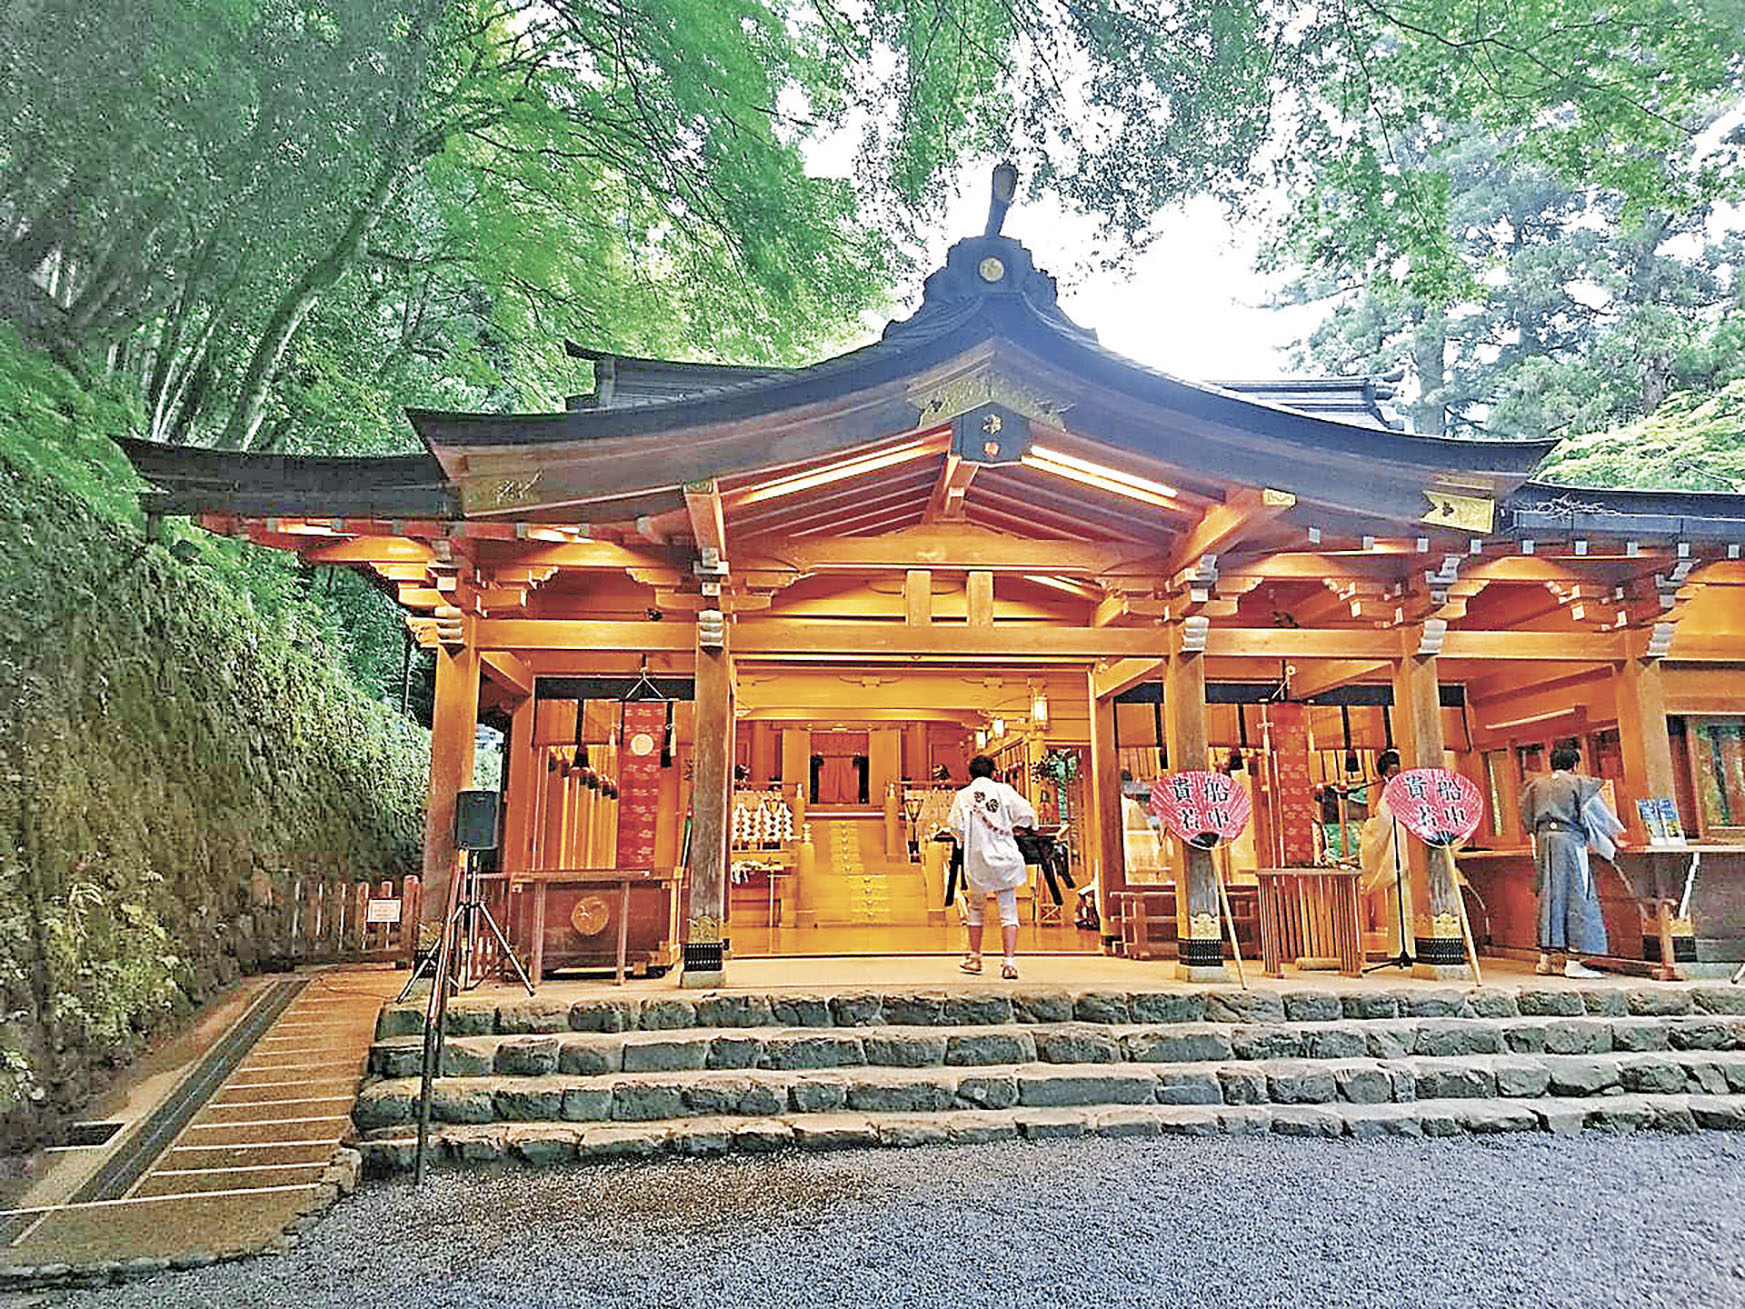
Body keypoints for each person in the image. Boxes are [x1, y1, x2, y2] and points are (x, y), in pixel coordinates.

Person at [1519, 744, 1624, 978]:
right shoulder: (1581, 784)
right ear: (1575, 765)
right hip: (1569, 841)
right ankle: (1574, 960)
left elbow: (1527, 820)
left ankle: (1545, 959)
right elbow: (1600, 818)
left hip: (1543, 841)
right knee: (1577, 893)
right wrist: (1614, 841)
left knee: (1548, 895)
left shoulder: (1535, 786)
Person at [948, 754, 1037, 979]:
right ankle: (1009, 963)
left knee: (976, 908)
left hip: (977, 858)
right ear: (994, 773)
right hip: (1005, 856)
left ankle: (975, 958)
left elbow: (955, 828)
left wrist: (966, 837)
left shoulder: (963, 796)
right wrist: (1014, 827)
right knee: (1008, 908)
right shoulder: (1005, 791)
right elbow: (1027, 815)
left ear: (970, 775)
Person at [1359, 749, 1411, 960]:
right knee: (1402, 902)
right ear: (1385, 775)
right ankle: (1405, 948)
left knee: (1407, 902)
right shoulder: (1392, 794)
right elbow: (1385, 822)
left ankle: (1408, 947)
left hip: (1407, 853)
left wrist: (1368, 828)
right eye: (1392, 772)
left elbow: (1381, 825)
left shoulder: (1392, 794)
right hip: (1401, 855)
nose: (1395, 775)